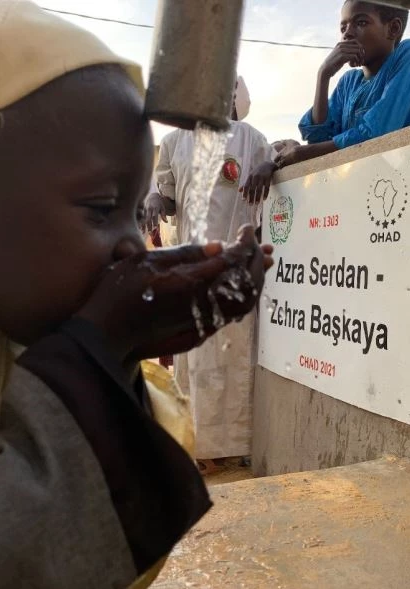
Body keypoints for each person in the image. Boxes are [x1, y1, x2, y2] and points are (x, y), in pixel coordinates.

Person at [0, 2, 273, 588]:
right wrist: (99, 351)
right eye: (99, 209)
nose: (133, 248)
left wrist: (121, 355)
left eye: (134, 213)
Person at [144, 76, 275, 474]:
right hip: (191, 267)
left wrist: (270, 165)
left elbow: (277, 174)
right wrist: (154, 197)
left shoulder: (251, 138)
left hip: (236, 264)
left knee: (232, 357)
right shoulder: (172, 142)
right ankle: (197, 446)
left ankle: (231, 449)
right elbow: (166, 195)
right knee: (195, 361)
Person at [275, 1, 410, 168]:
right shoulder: (348, 82)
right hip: (359, 185)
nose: (347, 34)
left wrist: (302, 153)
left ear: (393, 29)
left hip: (408, 181)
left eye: (361, 23)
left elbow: (378, 134)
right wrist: (323, 75)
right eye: (343, 28)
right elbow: (319, 141)